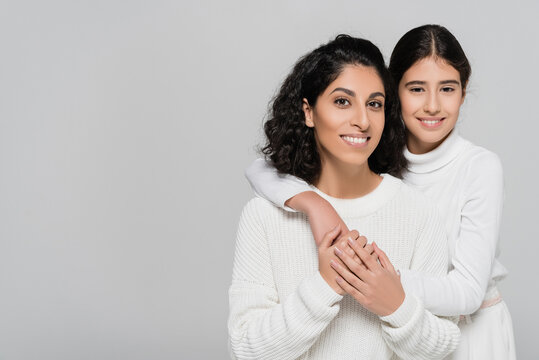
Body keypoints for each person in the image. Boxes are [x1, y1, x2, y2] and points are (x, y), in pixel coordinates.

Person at [246, 25, 516, 359]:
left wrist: (379, 280)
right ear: (395, 93)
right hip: (400, 326)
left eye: (447, 88)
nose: (432, 106)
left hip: (473, 331)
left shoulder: (478, 167)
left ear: (463, 93)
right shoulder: (373, 151)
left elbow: (467, 294)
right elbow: (263, 168)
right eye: (416, 89)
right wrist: (314, 204)